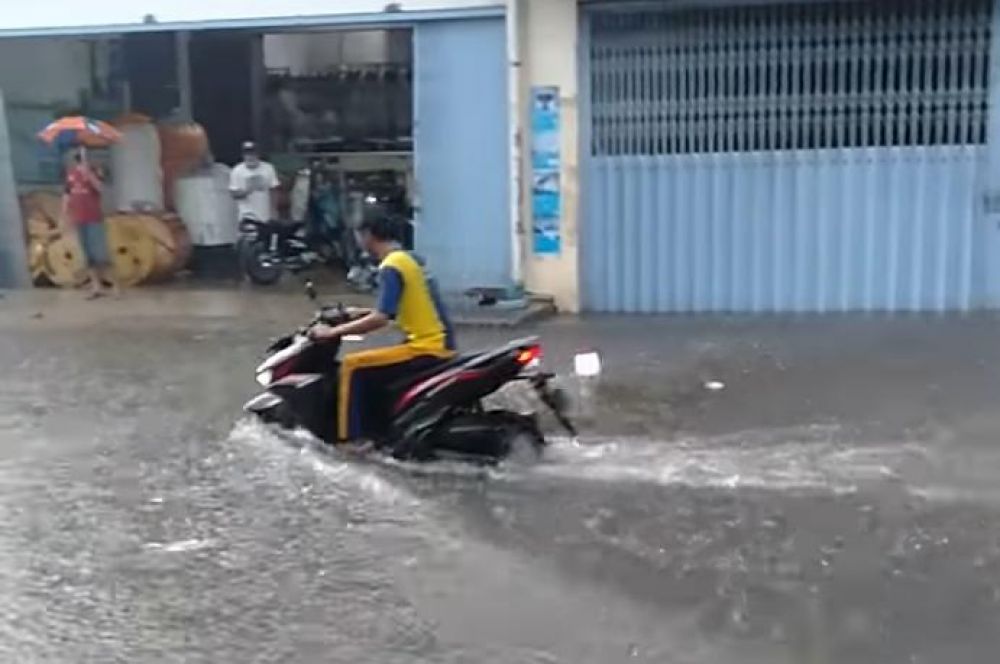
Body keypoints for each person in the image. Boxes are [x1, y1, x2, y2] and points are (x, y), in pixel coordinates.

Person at [309, 215, 457, 443]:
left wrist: (332, 333)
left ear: (369, 235)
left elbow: (381, 318)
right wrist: (352, 313)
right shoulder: (407, 260)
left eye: (360, 235)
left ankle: (353, 441)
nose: (359, 240)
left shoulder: (390, 266)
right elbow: (400, 307)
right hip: (439, 342)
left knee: (351, 365)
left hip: (426, 347)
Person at [60, 148, 118, 299]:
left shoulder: (95, 172)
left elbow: (101, 188)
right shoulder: (71, 175)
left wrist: (90, 176)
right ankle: (96, 287)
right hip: (79, 218)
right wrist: (65, 213)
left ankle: (115, 286)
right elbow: (67, 194)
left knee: (101, 254)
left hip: (94, 218)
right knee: (88, 255)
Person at [229, 141, 280, 222]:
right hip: (246, 216)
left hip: (266, 215)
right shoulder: (237, 170)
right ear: (243, 155)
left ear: (258, 154)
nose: (250, 157)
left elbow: (273, 190)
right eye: (247, 154)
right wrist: (247, 190)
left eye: (253, 153)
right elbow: (233, 194)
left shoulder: (268, 168)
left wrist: (274, 211)